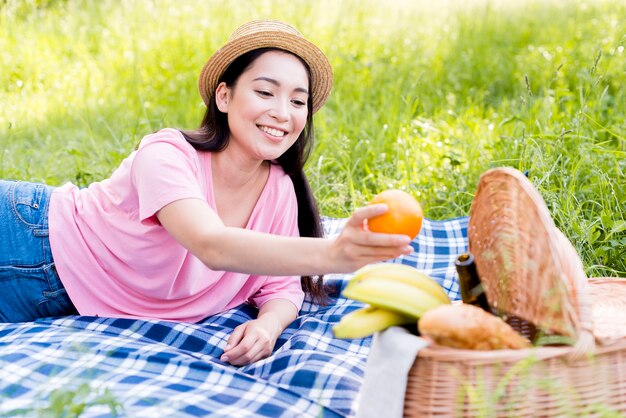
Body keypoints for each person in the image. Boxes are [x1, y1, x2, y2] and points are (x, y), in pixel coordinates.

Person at [0, 20, 413, 365]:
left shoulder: (280, 191)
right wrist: (334, 253)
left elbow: (282, 286)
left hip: (59, 301)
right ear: (225, 95)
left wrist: (267, 325)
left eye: (298, 101)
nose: (283, 113)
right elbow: (210, 244)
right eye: (266, 92)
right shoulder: (166, 154)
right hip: (28, 241)